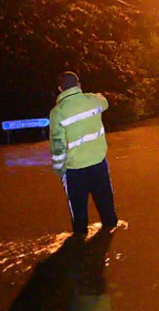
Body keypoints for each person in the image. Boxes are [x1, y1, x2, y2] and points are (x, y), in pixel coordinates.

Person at [50, 72, 118, 235]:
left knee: (78, 211)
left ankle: (79, 242)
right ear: (79, 85)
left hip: (74, 169)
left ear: (60, 89)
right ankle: (111, 229)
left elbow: (58, 146)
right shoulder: (93, 101)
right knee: (106, 205)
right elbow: (105, 101)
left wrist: (59, 169)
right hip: (98, 163)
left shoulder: (57, 112)